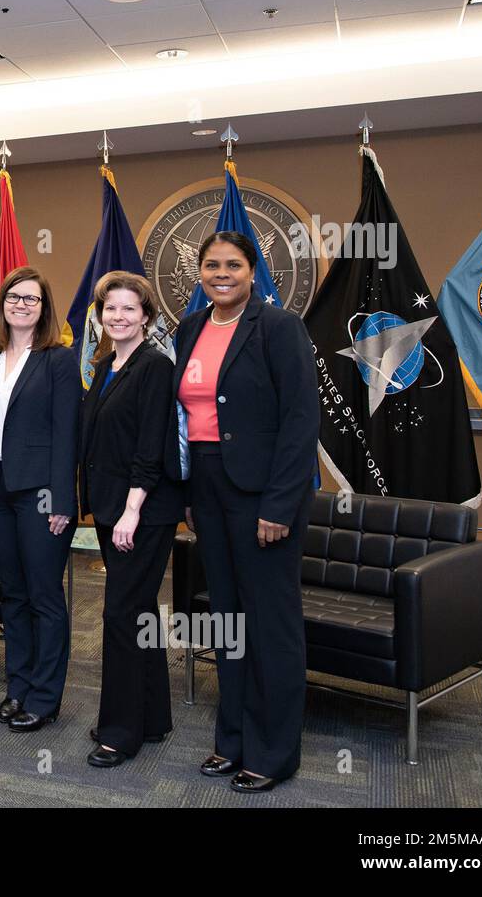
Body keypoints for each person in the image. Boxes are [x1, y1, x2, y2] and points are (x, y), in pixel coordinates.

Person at [167, 231, 318, 793]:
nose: (221, 273)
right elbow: (184, 417)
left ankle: (273, 753)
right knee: (226, 620)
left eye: (233, 264)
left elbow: (301, 419)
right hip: (207, 490)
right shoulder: (191, 328)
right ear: (199, 272)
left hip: (265, 497)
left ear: (253, 271)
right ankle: (231, 741)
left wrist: (280, 503)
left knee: (269, 626)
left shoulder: (279, 327)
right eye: (211, 265)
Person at [78, 271, 185, 768]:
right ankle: (152, 715)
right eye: (110, 309)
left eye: (129, 309)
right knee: (138, 610)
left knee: (121, 615)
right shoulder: (106, 364)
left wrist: (132, 509)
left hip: (142, 511)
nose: (118, 317)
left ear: (146, 316)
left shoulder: (154, 367)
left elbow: (152, 445)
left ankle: (121, 732)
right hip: (111, 508)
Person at [0, 267, 78, 733]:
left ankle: (45, 696)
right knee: (12, 594)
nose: (22, 305)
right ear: (3, 305)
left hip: (40, 494)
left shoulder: (58, 359)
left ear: (44, 306)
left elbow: (66, 434)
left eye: (31, 298)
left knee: (44, 596)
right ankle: (18, 685)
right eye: (14, 297)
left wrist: (62, 501)